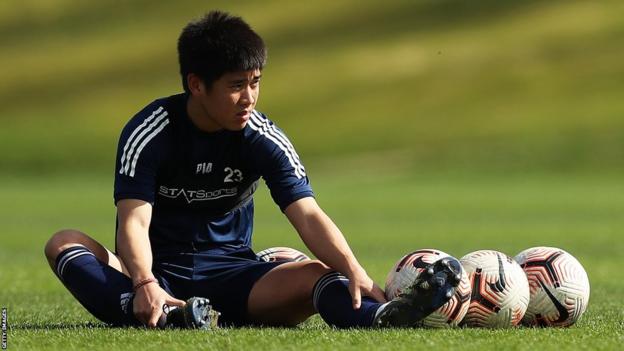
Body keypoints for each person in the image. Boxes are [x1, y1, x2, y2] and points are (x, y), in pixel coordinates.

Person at [44, 10, 461, 329]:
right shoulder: (150, 131)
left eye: (255, 81)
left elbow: (308, 214)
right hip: (158, 272)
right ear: (196, 84)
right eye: (235, 85)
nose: (249, 97)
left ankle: (380, 318)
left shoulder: (262, 137)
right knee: (63, 243)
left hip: (234, 274)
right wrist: (144, 283)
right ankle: (167, 313)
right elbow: (132, 224)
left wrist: (354, 270)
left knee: (316, 272)